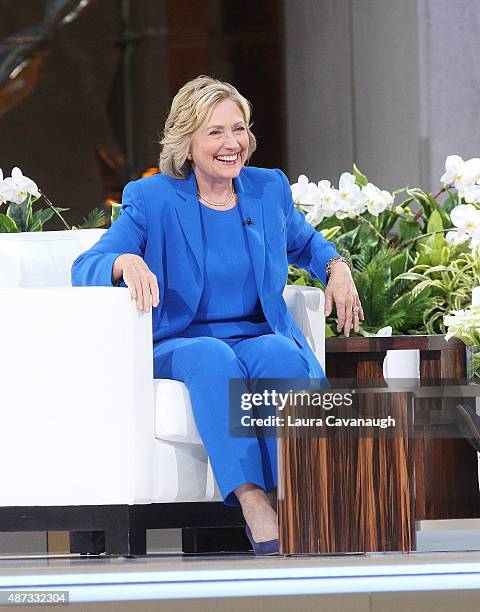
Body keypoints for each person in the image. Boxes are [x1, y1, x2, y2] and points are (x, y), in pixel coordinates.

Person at [71, 75, 364, 554]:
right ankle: (252, 502)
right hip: (179, 341)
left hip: (252, 334)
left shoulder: (267, 189)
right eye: (216, 133)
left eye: (239, 129)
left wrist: (336, 265)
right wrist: (125, 262)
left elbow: (307, 243)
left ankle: (301, 497)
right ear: (186, 143)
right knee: (211, 358)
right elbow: (86, 265)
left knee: (280, 355)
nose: (233, 145)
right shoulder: (153, 199)